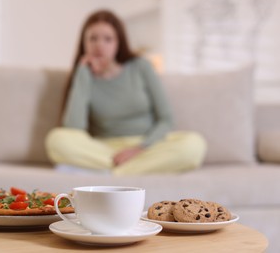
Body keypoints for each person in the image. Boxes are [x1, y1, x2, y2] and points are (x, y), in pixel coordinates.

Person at [45, 9, 206, 176]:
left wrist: (139, 148)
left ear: (118, 43)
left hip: (146, 146)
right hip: (104, 149)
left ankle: (109, 172)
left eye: (108, 39)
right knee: (56, 139)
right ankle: (129, 170)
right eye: (93, 38)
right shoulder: (83, 76)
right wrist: (83, 73)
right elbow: (74, 128)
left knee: (194, 144)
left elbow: (166, 119)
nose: (99, 45)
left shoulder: (141, 67)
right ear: (83, 43)